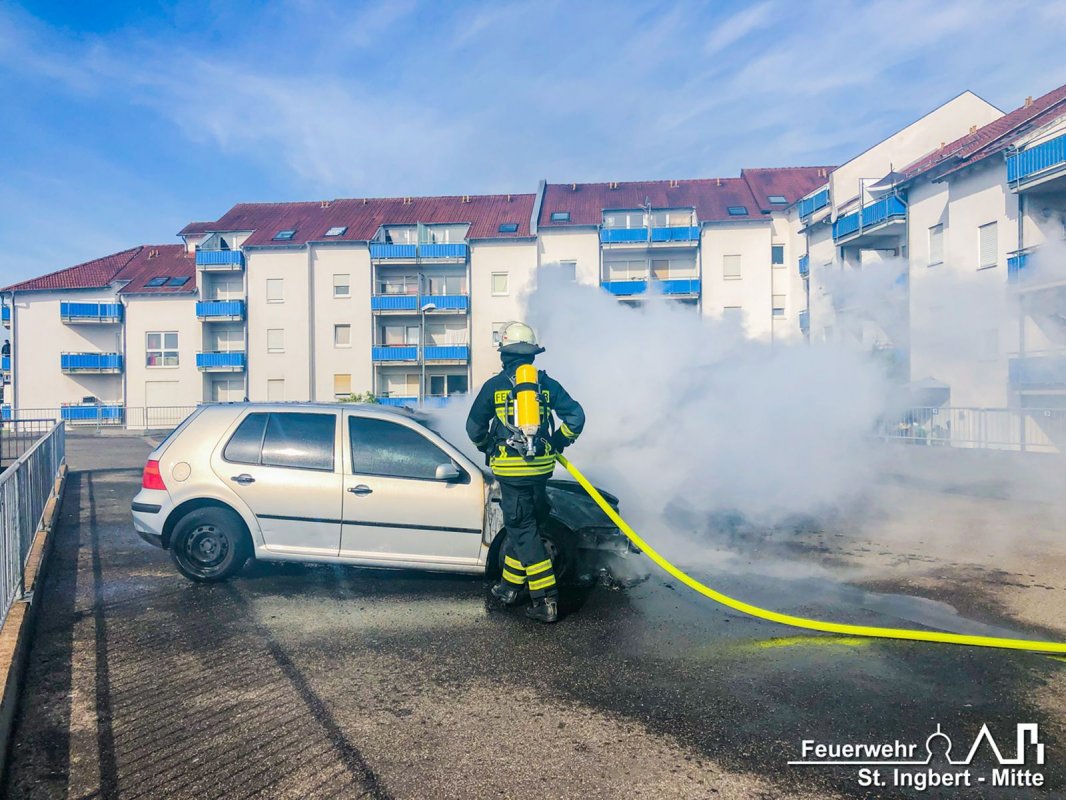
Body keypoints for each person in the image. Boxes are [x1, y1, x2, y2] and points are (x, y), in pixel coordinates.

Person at [465, 322, 584, 623]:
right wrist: (558, 441)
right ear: (532, 355)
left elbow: (473, 428)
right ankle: (508, 589)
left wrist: (488, 446)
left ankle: (546, 600)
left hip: (511, 472)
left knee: (522, 531)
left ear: (504, 355)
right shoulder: (547, 385)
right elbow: (576, 416)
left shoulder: (494, 387)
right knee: (528, 529)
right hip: (541, 469)